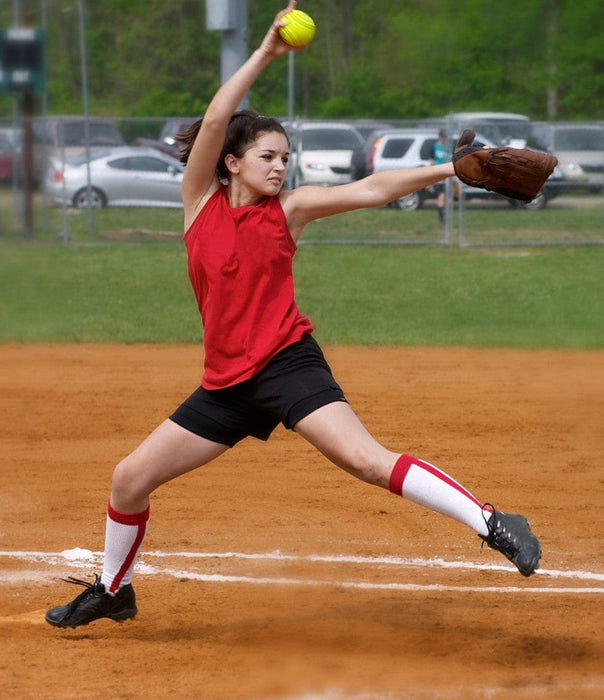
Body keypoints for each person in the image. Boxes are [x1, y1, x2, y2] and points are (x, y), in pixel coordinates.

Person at [45, 2, 541, 629]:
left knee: (364, 460)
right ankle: (115, 590)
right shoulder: (200, 203)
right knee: (129, 480)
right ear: (230, 162)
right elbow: (220, 116)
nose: (281, 166)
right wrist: (266, 54)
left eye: (285, 156)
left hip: (286, 363)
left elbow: (371, 189)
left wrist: (451, 167)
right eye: (267, 157)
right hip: (226, 384)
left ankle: (491, 521)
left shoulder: (290, 210)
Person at [431, 128, 450, 224]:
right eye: (442, 137)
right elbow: (431, 161)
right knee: (441, 196)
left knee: (447, 197)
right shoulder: (435, 146)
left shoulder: (448, 147)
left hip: (447, 175)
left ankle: (445, 216)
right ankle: (442, 218)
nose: (443, 139)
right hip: (438, 174)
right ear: (439, 137)